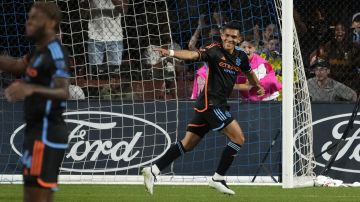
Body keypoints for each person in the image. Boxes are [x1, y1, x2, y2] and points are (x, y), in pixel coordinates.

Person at [142, 22, 265, 195]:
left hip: (211, 105)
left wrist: (257, 86)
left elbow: (249, 73)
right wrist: (170, 52)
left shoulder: (241, 56)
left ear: (239, 39)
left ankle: (153, 170)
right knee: (238, 139)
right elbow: (192, 55)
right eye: (227, 35)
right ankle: (218, 178)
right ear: (222, 36)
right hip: (211, 104)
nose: (229, 39)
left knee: (187, 144)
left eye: (233, 37)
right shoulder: (214, 49)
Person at [0, 2, 70, 202]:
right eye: (28, 17)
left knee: (36, 197)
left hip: (46, 133)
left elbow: (63, 90)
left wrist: (30, 88)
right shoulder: (38, 52)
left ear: (51, 23)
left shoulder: (56, 53)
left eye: (34, 18)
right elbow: (15, 65)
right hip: (35, 132)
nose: (28, 21)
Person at [81, 0, 128, 77]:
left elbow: (124, 10)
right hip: (95, 37)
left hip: (115, 38)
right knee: (95, 73)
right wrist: (87, 2)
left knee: (115, 73)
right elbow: (84, 15)